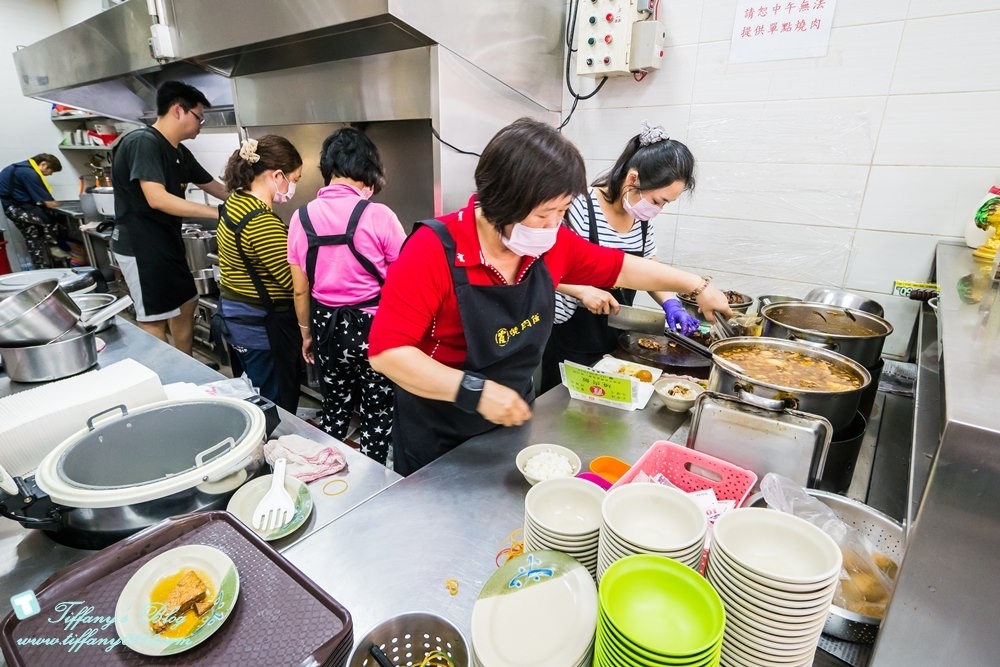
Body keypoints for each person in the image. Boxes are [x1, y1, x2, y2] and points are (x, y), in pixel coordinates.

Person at [368, 118, 732, 475]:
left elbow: (621, 266)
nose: (554, 226)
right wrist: (473, 392)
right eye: (545, 214)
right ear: (500, 201)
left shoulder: (551, 245)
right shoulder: (433, 249)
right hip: (440, 426)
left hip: (512, 416)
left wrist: (696, 286)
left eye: (562, 212)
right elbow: (387, 353)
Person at [539, 122, 700, 393]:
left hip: (616, 337)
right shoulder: (578, 206)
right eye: (658, 200)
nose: (658, 210)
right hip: (570, 334)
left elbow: (648, 269)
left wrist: (672, 304)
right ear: (633, 179)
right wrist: (582, 291)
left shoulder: (641, 219)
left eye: (665, 204)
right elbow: (540, 266)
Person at [288, 128, 406, 466]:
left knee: (335, 407)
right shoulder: (380, 216)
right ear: (367, 169)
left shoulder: (301, 218)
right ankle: (370, 482)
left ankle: (329, 475)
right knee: (377, 410)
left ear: (328, 169)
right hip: (376, 329)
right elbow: (402, 282)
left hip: (326, 328)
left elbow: (300, 288)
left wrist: (307, 334)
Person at [110, 80, 228, 355]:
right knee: (154, 320)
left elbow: (215, 187)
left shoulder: (178, 151)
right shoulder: (143, 142)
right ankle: (167, 385)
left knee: (187, 303)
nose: (201, 124)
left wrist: (251, 204)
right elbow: (157, 198)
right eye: (199, 117)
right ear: (178, 110)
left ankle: (186, 371)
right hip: (141, 246)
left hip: (166, 243)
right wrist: (219, 214)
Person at [216, 135, 304, 413]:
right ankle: (272, 451)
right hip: (261, 329)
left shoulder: (235, 202)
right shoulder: (260, 221)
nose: (293, 188)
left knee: (256, 396)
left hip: (237, 320)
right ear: (277, 175)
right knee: (274, 405)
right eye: (295, 179)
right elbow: (293, 282)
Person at [0, 153, 64, 269]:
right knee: (49, 221)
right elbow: (48, 202)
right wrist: (58, 206)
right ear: (43, 164)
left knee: (33, 237)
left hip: (11, 208)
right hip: (17, 209)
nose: (50, 174)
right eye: (51, 171)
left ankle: (42, 268)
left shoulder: (18, 168)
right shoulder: (28, 173)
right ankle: (55, 248)